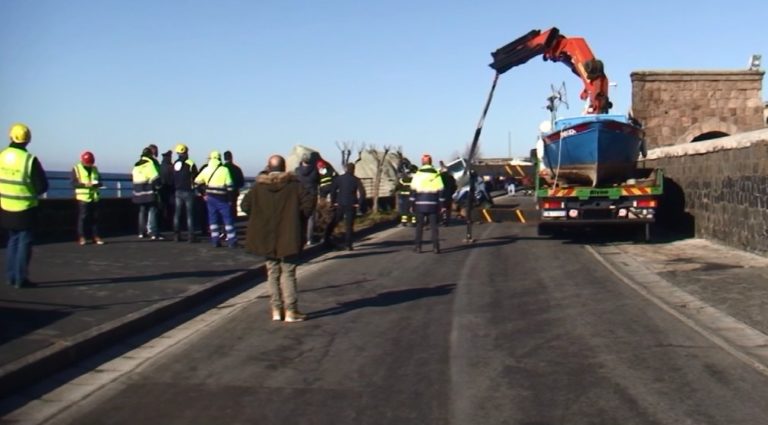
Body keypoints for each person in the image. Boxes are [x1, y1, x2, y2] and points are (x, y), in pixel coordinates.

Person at [241, 154, 314, 322]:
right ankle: (291, 310)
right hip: (289, 233)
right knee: (288, 272)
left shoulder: (258, 187)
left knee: (272, 272)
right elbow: (309, 204)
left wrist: (259, 216)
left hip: (266, 234)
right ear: (284, 166)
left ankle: (276, 309)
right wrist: (298, 218)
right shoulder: (294, 185)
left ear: (268, 167)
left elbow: (245, 206)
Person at [0, 123, 48, 288]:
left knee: (12, 241)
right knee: (24, 243)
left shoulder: (2, 156)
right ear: (28, 140)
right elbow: (42, 186)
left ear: (10, 136)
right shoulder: (29, 160)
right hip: (25, 208)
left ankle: (11, 276)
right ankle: (21, 278)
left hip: (5, 205)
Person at [194, 150, 236, 248]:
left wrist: (203, 194)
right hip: (223, 198)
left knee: (213, 220)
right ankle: (232, 241)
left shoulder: (206, 169)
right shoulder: (224, 170)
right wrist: (230, 200)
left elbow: (196, 183)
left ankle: (215, 240)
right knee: (228, 219)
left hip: (210, 198)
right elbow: (230, 187)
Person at [323, 162, 367, 251]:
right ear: (354, 169)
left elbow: (333, 190)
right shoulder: (356, 180)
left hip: (340, 203)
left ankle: (326, 238)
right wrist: (359, 203)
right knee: (349, 225)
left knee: (334, 221)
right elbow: (362, 193)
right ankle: (348, 244)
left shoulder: (339, 179)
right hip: (351, 204)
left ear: (346, 169)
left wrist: (333, 201)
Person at [410, 154, 445, 254]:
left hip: (419, 204)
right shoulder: (436, 174)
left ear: (422, 162)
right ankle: (436, 247)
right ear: (431, 162)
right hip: (433, 204)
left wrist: (412, 204)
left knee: (419, 226)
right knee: (434, 226)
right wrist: (442, 206)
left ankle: (418, 247)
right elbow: (441, 191)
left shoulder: (418, 174)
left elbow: (413, 190)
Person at [71, 151, 105, 245]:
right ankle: (82, 237)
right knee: (83, 217)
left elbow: (100, 181)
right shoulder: (76, 169)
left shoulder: (95, 169)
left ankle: (96, 236)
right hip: (83, 196)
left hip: (94, 196)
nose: (90, 165)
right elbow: (74, 183)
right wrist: (85, 184)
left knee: (95, 218)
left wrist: (98, 184)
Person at [132, 147, 163, 240]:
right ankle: (153, 232)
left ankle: (141, 232)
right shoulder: (149, 164)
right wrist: (158, 187)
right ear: (150, 154)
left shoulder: (136, 165)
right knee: (152, 210)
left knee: (142, 211)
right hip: (148, 191)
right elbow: (155, 177)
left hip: (138, 192)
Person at [172, 143, 198, 242]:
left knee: (177, 213)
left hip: (177, 191)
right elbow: (196, 176)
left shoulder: (175, 164)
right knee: (189, 214)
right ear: (186, 152)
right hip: (188, 191)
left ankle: (176, 235)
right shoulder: (190, 163)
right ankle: (191, 236)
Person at [294, 152, 319, 245]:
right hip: (312, 194)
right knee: (311, 218)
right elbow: (318, 181)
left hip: (299, 195)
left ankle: (299, 237)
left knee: (299, 216)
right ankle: (309, 238)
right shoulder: (315, 170)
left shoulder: (297, 170)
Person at [223, 150, 245, 220]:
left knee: (224, 209)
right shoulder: (237, 169)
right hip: (234, 192)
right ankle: (233, 224)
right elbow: (241, 182)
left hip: (223, 192)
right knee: (233, 209)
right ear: (231, 157)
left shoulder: (221, 169)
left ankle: (225, 225)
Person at [158, 150, 175, 231]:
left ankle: (161, 225)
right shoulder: (171, 167)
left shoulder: (160, 166)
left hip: (161, 189)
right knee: (170, 208)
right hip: (170, 189)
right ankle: (169, 225)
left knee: (162, 207)